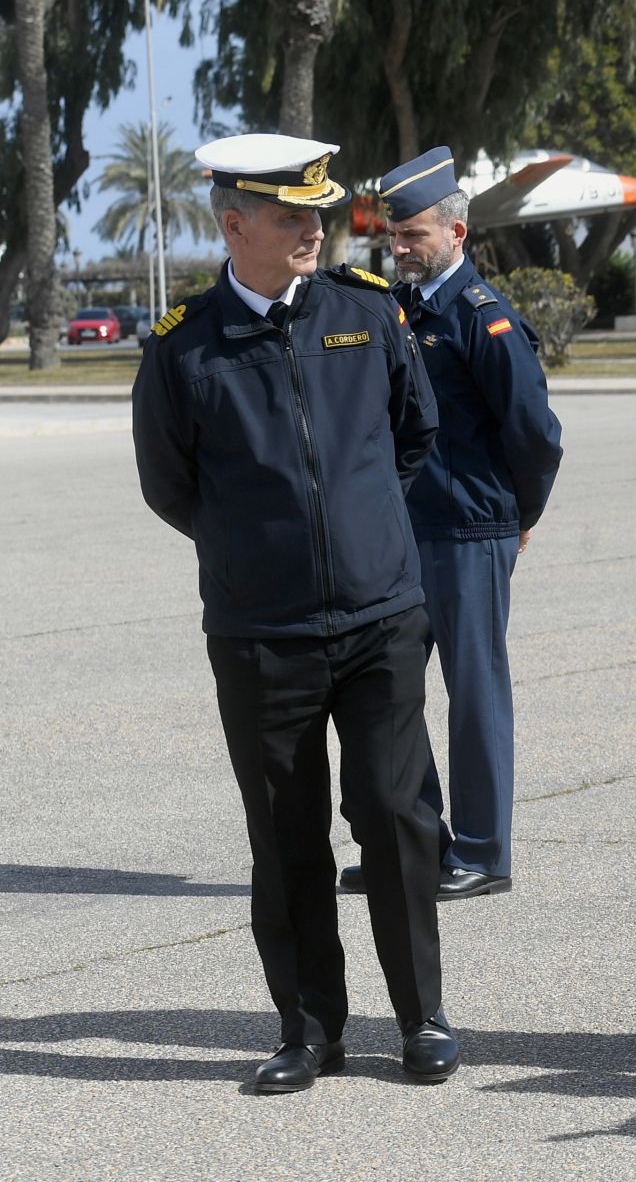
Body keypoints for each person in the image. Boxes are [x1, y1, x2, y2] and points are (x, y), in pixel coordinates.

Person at [131, 134, 460, 1092]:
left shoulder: (367, 313)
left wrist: (361, 536)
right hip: (260, 631)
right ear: (234, 225)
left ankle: (422, 1016)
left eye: (317, 211)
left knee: (396, 817)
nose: (313, 229)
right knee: (284, 832)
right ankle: (309, 1028)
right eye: (289, 215)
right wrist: (258, 552)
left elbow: (414, 435)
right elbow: (170, 486)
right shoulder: (183, 344)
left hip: (379, 619)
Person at [336, 148, 564, 902]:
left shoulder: (483, 319)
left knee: (474, 692)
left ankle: (483, 851)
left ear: (456, 232)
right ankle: (417, 843)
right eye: (395, 236)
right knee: (392, 695)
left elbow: (534, 431)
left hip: (470, 532)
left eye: (415, 236)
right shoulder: (392, 311)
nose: (401, 248)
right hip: (403, 533)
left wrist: (518, 514)